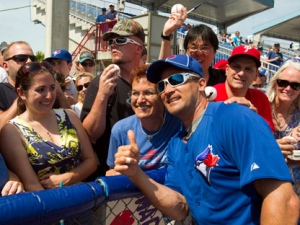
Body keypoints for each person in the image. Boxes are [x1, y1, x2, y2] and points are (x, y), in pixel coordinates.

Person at [113, 54, 299, 224]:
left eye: (177, 80)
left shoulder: (234, 118)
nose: (168, 90)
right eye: (161, 86)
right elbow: (179, 208)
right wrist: (136, 173)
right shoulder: (175, 144)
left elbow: (283, 199)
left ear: (201, 84)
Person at [0, 61, 97, 191]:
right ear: (22, 93)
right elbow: (31, 184)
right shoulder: (12, 131)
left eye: (52, 88)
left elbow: (91, 161)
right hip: (47, 207)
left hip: (83, 199)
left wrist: (66, 178)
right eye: (41, 90)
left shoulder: (70, 116)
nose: (49, 96)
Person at [81, 18, 145, 177]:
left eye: (120, 40)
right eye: (111, 41)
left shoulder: (148, 83)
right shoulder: (100, 83)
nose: (113, 45)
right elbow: (89, 135)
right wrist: (102, 94)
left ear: (138, 48)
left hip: (146, 173)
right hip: (111, 177)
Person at [106, 64, 182, 175]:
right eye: (135, 93)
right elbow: (110, 173)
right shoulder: (120, 130)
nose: (140, 100)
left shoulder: (179, 125)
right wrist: (125, 169)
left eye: (148, 93)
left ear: (162, 95)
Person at [213, 46, 275, 131]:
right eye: (236, 67)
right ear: (227, 70)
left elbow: (269, 136)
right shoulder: (211, 95)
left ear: (256, 75)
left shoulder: (261, 98)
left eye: (248, 69)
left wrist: (254, 119)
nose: (241, 73)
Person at [159, 8, 226, 86]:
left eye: (204, 48)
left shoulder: (224, 79)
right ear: (186, 51)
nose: (198, 53)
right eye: (193, 47)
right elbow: (163, 72)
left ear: (215, 52)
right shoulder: (177, 78)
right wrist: (166, 34)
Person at [0, 41, 38, 129]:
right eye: (21, 58)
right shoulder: (1, 90)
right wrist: (24, 94)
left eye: (33, 58)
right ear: (6, 66)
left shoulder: (47, 89)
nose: (29, 61)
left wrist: (58, 91)